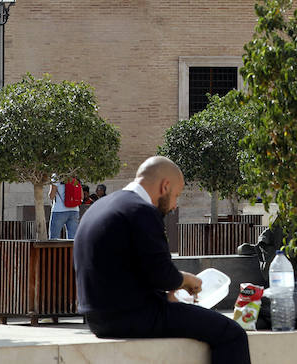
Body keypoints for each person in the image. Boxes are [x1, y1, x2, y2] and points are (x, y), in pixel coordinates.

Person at [73, 156, 249, 364]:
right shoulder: (142, 210)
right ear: (165, 186)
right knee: (232, 334)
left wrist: (165, 295)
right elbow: (162, 275)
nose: (174, 205)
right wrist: (186, 280)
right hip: (132, 317)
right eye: (176, 195)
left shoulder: (100, 207)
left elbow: (128, 271)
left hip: (96, 319)